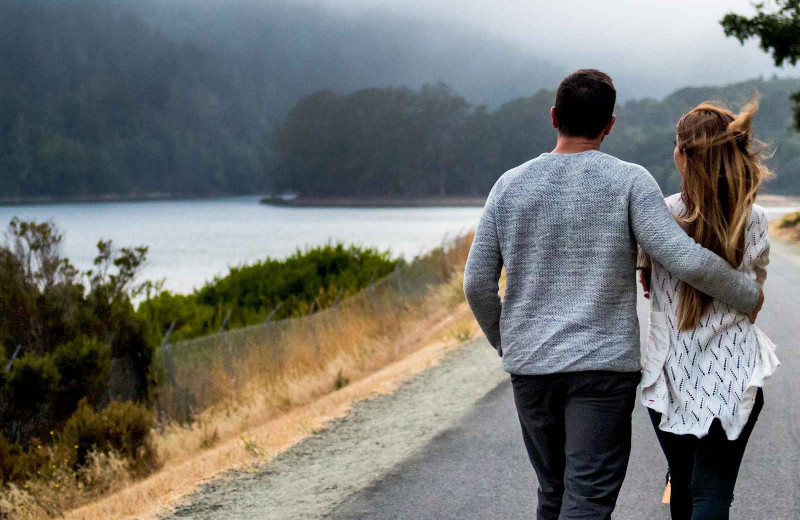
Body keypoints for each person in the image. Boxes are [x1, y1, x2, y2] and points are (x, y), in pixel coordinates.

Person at [462, 69, 764, 520]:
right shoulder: (629, 181)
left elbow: (475, 283)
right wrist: (748, 295)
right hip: (602, 370)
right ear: (609, 124)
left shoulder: (509, 185)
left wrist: (507, 341)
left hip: (531, 369)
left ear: (553, 117)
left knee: (552, 491)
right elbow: (685, 260)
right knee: (587, 498)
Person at [638, 97, 779, 520]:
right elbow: (754, 296)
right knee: (712, 491)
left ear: (683, 153)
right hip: (734, 374)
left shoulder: (661, 214)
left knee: (682, 484)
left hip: (669, 377)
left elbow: (646, 284)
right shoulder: (754, 218)